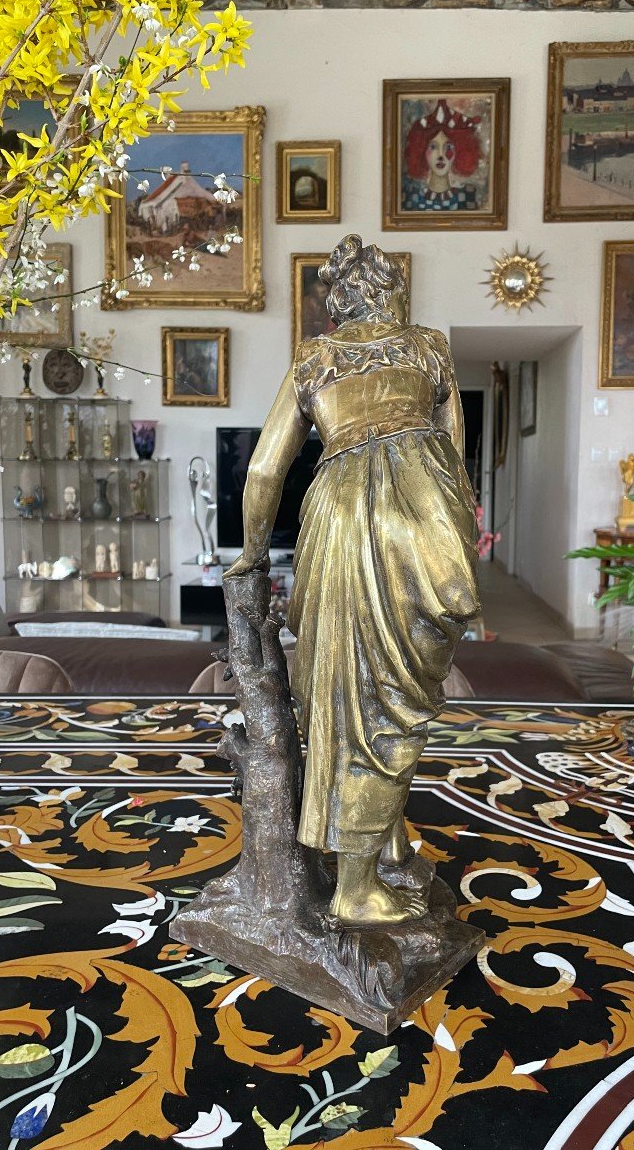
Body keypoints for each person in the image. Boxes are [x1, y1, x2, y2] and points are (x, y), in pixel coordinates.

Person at [227, 234, 480, 925]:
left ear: (338, 305)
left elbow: (263, 471)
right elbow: (456, 455)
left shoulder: (316, 358)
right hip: (423, 505)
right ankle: (358, 882)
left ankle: (378, 852)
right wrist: (460, 536)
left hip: (339, 514)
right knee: (399, 687)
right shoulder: (429, 345)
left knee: (344, 685)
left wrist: (251, 554)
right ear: (393, 294)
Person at [401, 99, 483, 212]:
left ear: (459, 152)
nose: (441, 155)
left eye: (448, 147)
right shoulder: (412, 196)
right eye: (433, 147)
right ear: (422, 150)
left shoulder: (467, 196)